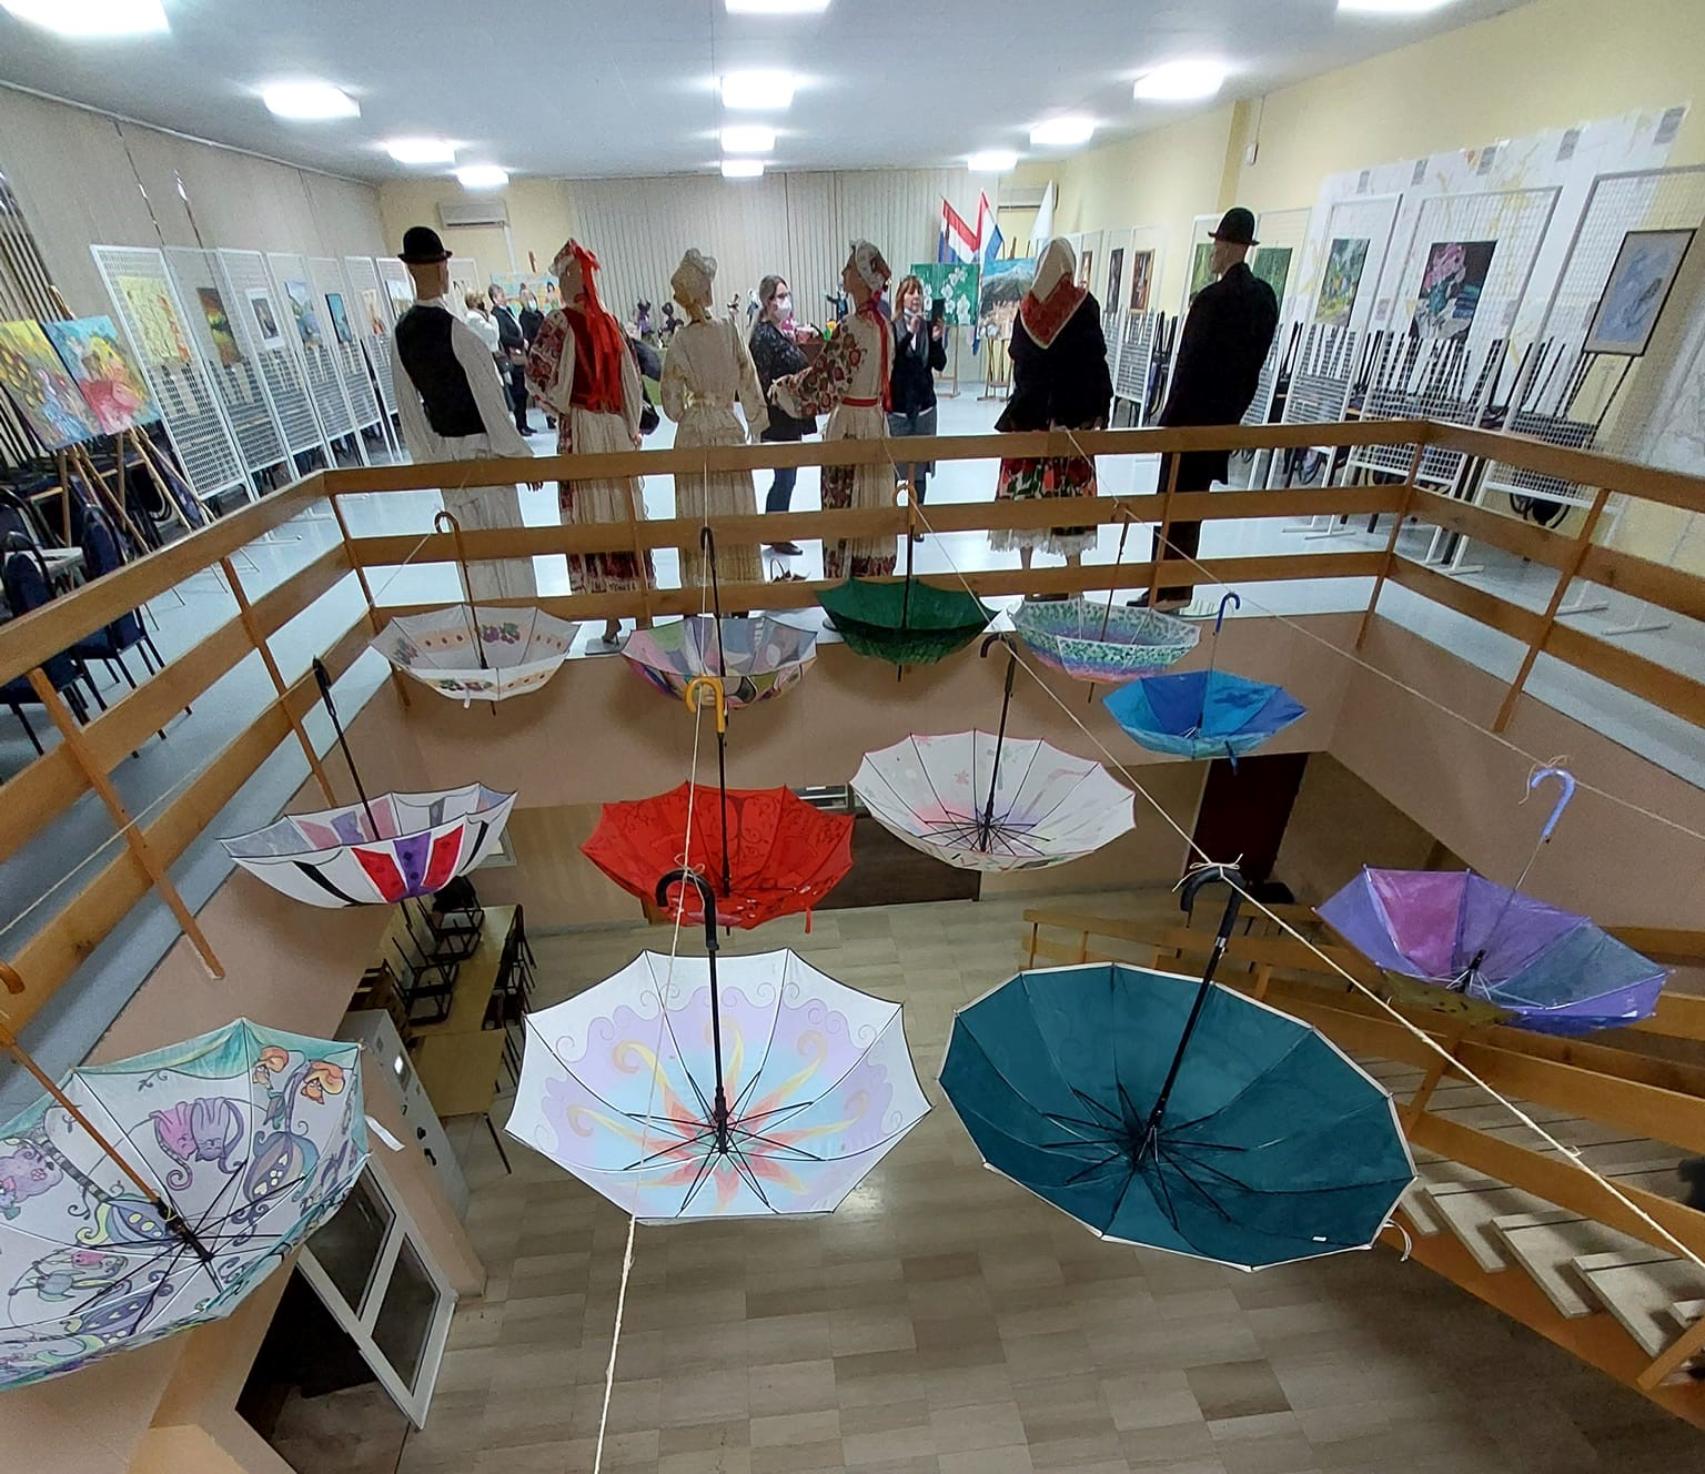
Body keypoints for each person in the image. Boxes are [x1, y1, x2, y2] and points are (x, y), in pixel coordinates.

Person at [388, 226, 538, 600]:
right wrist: (520, 457)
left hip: (445, 455)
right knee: (507, 550)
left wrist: (428, 461)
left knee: (471, 555)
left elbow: (409, 410)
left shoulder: (401, 336)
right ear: (441, 269)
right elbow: (492, 405)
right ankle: (519, 622)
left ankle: (489, 625)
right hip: (484, 451)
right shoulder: (458, 333)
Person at [524, 238, 654, 650]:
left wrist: (558, 407)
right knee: (624, 515)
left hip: (581, 430)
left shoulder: (560, 323)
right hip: (614, 431)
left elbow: (536, 378)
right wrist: (629, 427)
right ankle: (640, 613)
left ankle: (611, 618)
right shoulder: (611, 324)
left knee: (592, 517)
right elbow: (632, 385)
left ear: (570, 278)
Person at [1149, 206, 1279, 610]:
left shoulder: (1211, 300)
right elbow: (1253, 367)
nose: (1214, 252)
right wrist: (1232, 416)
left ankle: (1163, 589)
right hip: (1223, 420)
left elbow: (1188, 367)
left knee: (1171, 505)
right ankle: (1178, 589)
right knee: (1194, 507)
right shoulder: (1264, 300)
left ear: (1228, 246)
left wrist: (1168, 423)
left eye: (1217, 243)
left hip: (1190, 421)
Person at [771, 241, 896, 581]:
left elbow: (823, 382)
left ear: (862, 278)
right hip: (876, 425)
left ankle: (844, 588)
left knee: (844, 510)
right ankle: (873, 585)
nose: (844, 272)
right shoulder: (884, 326)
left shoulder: (852, 327)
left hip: (850, 428)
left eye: (849, 268)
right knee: (872, 507)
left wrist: (783, 388)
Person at [991, 237, 1111, 573]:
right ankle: (1073, 578)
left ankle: (1026, 578)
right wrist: (1100, 407)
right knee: (1070, 504)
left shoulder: (1026, 310)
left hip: (1028, 420)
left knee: (1026, 503)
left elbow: (1019, 363)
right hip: (1071, 421)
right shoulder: (1084, 306)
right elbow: (1094, 363)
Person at [660, 249, 768, 592]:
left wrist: (686, 409)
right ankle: (740, 587)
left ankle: (701, 588)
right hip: (727, 426)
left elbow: (671, 402)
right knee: (734, 505)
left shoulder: (680, 340)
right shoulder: (728, 330)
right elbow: (748, 377)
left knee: (700, 509)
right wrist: (756, 420)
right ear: (705, 290)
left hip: (693, 432)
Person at [747, 274, 819, 556]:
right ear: (768, 302)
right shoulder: (764, 337)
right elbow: (761, 382)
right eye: (780, 296)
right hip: (779, 420)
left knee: (786, 477)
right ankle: (776, 532)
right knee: (785, 478)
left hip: (790, 418)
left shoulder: (778, 332)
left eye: (786, 295)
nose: (786, 301)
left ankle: (774, 529)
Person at [889, 273, 947, 542]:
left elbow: (939, 364)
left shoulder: (927, 327)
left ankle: (916, 521)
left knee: (920, 467)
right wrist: (909, 333)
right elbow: (894, 362)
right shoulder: (892, 328)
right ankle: (891, 519)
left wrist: (935, 340)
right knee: (894, 467)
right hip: (898, 409)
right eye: (910, 292)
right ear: (901, 298)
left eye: (919, 292)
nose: (915, 297)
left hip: (924, 407)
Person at [489, 282, 534, 436]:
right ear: (494, 299)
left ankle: (524, 423)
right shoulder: (497, 315)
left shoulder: (507, 311)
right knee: (517, 392)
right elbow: (504, 336)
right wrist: (520, 342)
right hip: (511, 357)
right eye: (501, 295)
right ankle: (520, 425)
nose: (504, 297)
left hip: (520, 354)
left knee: (523, 392)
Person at [463, 291, 500, 356]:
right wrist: (490, 317)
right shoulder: (474, 318)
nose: (483, 303)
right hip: (486, 354)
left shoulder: (477, 316)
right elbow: (494, 335)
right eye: (481, 300)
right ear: (474, 303)